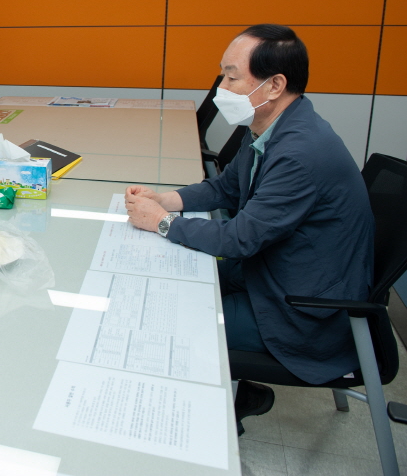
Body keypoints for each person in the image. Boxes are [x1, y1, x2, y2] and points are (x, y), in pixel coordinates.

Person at [124, 24, 373, 433]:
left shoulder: (300, 151)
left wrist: (162, 222)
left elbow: (240, 239)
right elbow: (228, 186)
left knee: (170, 322)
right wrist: (168, 199)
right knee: (168, 284)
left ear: (274, 85)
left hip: (298, 309)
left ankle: (220, 414)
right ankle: (241, 393)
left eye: (231, 76)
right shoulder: (270, 127)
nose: (221, 87)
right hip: (273, 273)